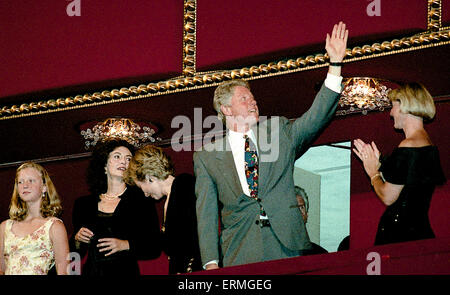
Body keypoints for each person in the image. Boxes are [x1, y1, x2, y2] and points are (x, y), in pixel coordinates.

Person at [194, 22, 348, 269]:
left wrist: (335, 66)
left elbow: (315, 118)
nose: (253, 102)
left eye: (253, 98)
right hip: (240, 252)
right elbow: (206, 213)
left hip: (286, 246)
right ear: (226, 109)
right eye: (244, 99)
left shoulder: (278, 131)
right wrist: (211, 262)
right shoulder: (207, 157)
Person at [353, 82, 446, 245]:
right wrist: (380, 162)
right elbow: (406, 178)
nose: (391, 113)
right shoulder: (428, 146)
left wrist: (373, 173)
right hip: (419, 233)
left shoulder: (408, 145)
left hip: (398, 236)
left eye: (394, 106)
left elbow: (388, 197)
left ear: (405, 107)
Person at [69, 139, 161, 276]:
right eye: (117, 156)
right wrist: (77, 239)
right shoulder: (83, 204)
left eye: (128, 159)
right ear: (104, 165)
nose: (123, 162)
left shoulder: (142, 201)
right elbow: (74, 254)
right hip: (93, 271)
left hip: (125, 271)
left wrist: (125, 245)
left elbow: (154, 246)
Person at [125, 145, 202, 274]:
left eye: (141, 186)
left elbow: (194, 235)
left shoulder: (184, 184)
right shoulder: (170, 198)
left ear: (150, 177)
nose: (144, 193)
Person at [0, 162, 69, 275]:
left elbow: (64, 271)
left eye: (31, 180)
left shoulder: (54, 226)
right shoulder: (5, 227)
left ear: (44, 187)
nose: (25, 185)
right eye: (20, 182)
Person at [292, 186, 328, 255]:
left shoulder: (320, 253)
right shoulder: (277, 252)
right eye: (294, 208)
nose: (299, 212)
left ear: (306, 214)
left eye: (302, 207)